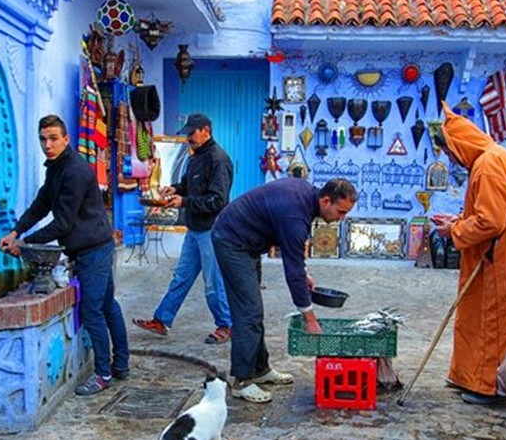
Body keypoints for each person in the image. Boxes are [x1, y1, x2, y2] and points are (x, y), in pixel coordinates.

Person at [0, 114, 130, 396]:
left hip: (94, 250)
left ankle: (103, 373)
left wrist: (24, 244)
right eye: (43, 140)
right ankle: (121, 365)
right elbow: (40, 205)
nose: (48, 145)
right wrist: (15, 231)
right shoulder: (56, 169)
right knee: (108, 305)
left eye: (54, 139)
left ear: (66, 139)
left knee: (94, 310)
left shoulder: (75, 171)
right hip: (92, 246)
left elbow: (63, 224)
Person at [429, 104, 506, 406]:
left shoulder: (488, 164)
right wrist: (457, 221)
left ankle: (490, 385)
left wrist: (453, 233)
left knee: (494, 323)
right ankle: (470, 375)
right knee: (476, 320)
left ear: (460, 145)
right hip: (499, 255)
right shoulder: (493, 158)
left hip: (500, 260)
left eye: (451, 153)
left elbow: (490, 222)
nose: (452, 160)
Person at [212, 177, 357, 403]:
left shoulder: (307, 199)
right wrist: (309, 318)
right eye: (340, 212)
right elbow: (292, 270)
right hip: (232, 242)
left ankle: (260, 369)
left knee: (253, 310)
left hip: (248, 242)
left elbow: (294, 255)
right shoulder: (295, 215)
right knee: (248, 311)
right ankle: (242, 380)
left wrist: (304, 273)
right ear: (326, 200)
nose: (342, 218)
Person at [133, 113, 234, 344]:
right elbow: (188, 185)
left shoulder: (218, 159)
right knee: (181, 277)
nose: (188, 137)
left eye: (192, 133)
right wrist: (175, 190)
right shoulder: (196, 157)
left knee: (213, 282)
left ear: (205, 130)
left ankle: (227, 325)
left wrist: (184, 202)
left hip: (212, 230)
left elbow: (218, 200)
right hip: (195, 228)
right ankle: (162, 320)